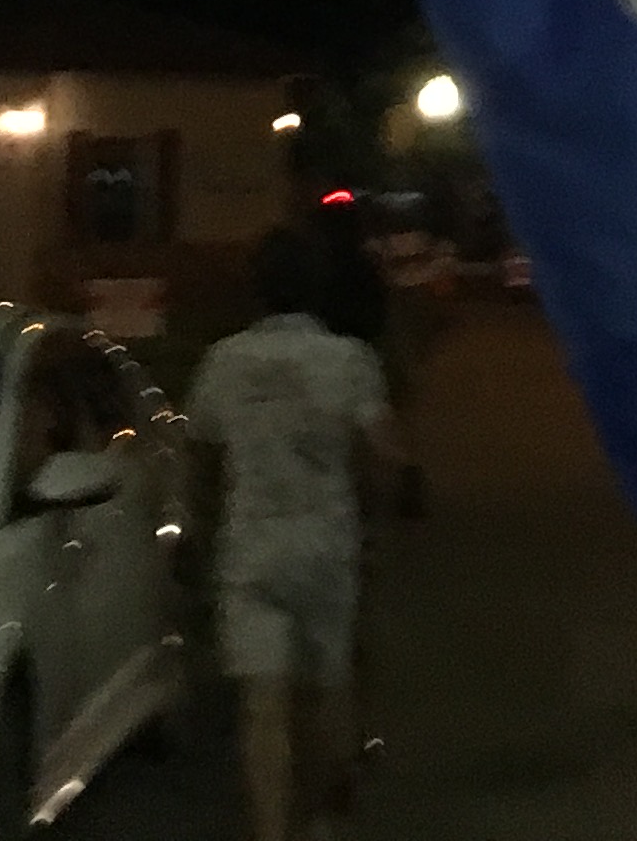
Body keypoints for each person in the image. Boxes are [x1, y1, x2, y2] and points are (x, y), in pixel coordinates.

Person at [190, 227, 402, 841]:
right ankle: (322, 819)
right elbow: (384, 457)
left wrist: (203, 528)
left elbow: (200, 457)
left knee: (263, 707)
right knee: (326, 685)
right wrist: (376, 515)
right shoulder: (348, 361)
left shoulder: (223, 362)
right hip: (325, 543)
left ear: (256, 290)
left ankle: (270, 831)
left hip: (251, 544)